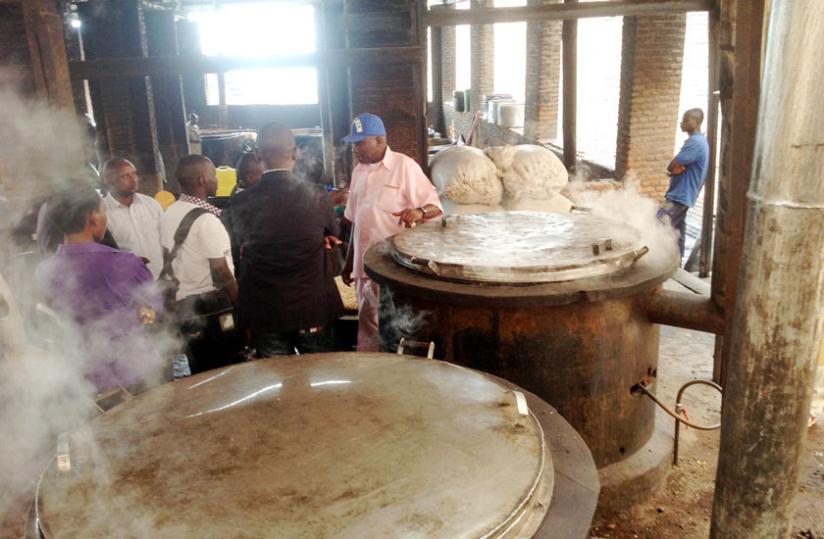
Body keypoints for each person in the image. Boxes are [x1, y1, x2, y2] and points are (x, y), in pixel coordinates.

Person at [226, 123, 344, 356]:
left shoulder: (239, 203)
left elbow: (237, 249)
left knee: (279, 384)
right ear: (296, 153)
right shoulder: (317, 195)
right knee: (319, 378)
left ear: (258, 155)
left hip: (265, 311)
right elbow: (335, 233)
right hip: (311, 307)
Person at [36, 186, 163, 393]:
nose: (106, 218)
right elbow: (152, 311)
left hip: (84, 376)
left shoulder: (44, 271)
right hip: (134, 369)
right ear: (92, 217)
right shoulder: (125, 262)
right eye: (104, 212)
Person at [340, 113, 443, 352]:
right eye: (354, 144)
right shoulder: (359, 172)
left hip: (392, 267)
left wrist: (418, 211)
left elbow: (435, 205)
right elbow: (356, 222)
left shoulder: (404, 166)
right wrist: (348, 263)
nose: (355, 149)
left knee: (393, 326)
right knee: (367, 323)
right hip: (364, 267)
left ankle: (394, 371)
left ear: (379, 140)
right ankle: (368, 371)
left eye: (360, 143)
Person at [160, 155, 239, 373]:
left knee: (200, 372)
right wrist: (241, 306)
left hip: (184, 307)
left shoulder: (170, 213)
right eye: (214, 175)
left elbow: (167, 256)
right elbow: (222, 272)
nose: (217, 180)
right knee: (223, 372)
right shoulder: (207, 221)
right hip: (210, 310)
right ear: (203, 180)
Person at [658, 108, 710, 260]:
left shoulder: (694, 143)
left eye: (686, 119)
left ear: (696, 122)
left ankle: (658, 262)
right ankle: (677, 264)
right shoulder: (700, 141)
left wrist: (673, 168)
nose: (682, 123)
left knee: (659, 223)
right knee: (677, 231)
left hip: (679, 196)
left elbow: (673, 165)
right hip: (685, 195)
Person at [102, 158, 164, 278]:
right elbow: (105, 255)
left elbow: (165, 241)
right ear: (109, 180)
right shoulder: (102, 212)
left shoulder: (151, 204)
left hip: (160, 279)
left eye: (134, 174)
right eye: (125, 176)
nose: (133, 179)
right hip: (127, 282)